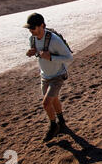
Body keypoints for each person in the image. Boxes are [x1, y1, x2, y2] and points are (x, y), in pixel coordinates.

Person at [24, 13, 74, 142]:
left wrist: (51, 57)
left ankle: (53, 126)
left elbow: (69, 58)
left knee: (46, 103)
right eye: (29, 28)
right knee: (54, 99)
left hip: (58, 75)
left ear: (42, 26)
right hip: (44, 75)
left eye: (33, 28)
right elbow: (35, 50)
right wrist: (31, 52)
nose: (31, 31)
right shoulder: (33, 38)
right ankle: (61, 122)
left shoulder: (54, 40)